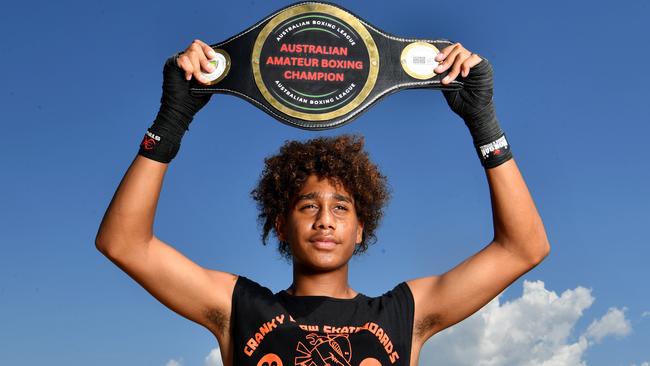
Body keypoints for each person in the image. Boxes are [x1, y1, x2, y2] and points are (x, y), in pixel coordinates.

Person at [96, 39, 550, 365]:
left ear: (361, 229)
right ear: (280, 225)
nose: (325, 221)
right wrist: (171, 121)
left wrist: (484, 124)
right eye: (308, 206)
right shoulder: (239, 307)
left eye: (341, 208)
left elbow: (525, 248)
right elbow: (124, 243)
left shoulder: (405, 315)